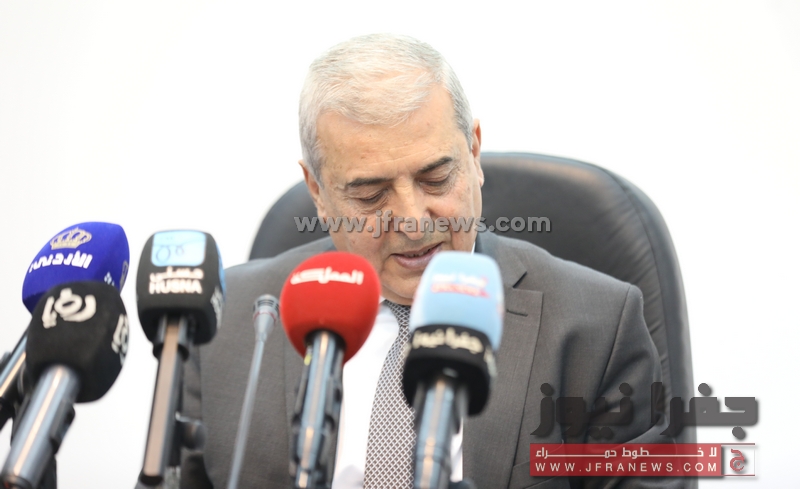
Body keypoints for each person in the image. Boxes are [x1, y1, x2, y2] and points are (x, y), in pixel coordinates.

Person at [180, 34, 676, 489]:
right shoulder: (227, 324)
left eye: (436, 179)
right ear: (318, 191)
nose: (414, 221)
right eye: (371, 195)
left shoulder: (597, 328)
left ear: (474, 151)